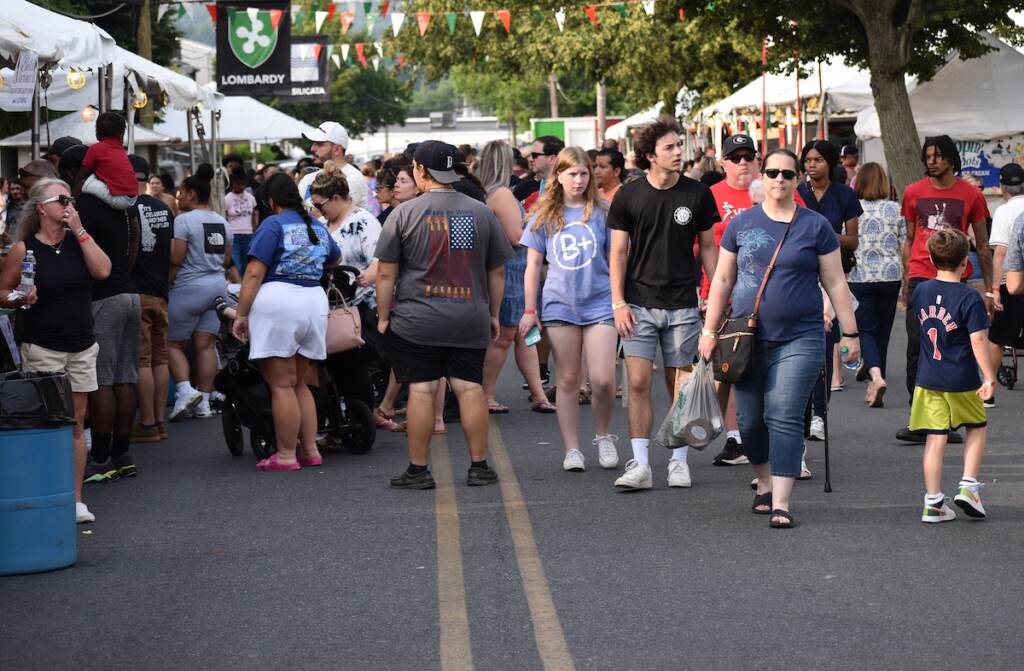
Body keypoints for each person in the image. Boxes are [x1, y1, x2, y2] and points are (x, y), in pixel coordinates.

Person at [699, 148, 860, 528]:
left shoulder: (816, 226)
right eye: (773, 172)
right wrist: (709, 329)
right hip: (746, 338)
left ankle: (782, 502)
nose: (780, 180)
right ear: (763, 175)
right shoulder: (741, 225)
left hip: (801, 336)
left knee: (784, 415)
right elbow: (722, 279)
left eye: (788, 174)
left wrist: (850, 332)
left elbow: (835, 281)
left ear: (797, 179)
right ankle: (765, 480)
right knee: (752, 421)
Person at [375, 141, 513, 489]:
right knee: (470, 389)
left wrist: (382, 315)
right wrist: (493, 313)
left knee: (421, 390)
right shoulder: (480, 211)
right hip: (469, 315)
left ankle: (418, 470)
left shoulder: (403, 213)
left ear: (421, 170)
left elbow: (386, 273)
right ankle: (479, 466)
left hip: (417, 319)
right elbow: (496, 272)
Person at [608, 118, 720, 490]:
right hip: (638, 303)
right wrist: (619, 301)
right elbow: (618, 252)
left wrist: (717, 295)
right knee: (638, 381)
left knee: (681, 386)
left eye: (679, 146)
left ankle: (678, 460)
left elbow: (707, 247)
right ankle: (640, 465)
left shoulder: (697, 194)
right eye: (669, 147)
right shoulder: (629, 195)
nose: (678, 153)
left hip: (684, 305)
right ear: (648, 155)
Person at [0, 178, 111, 523]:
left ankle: (76, 500)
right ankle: (44, 492)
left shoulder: (79, 241)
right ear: (41, 208)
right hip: (43, 344)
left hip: (81, 344)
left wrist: (80, 231)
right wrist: (20, 297)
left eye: (71, 199)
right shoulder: (25, 249)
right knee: (46, 424)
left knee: (77, 423)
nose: (68, 205)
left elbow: (104, 270)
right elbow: (3, 291)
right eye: (62, 199)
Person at [232, 173, 340, 470]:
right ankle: (310, 450)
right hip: (313, 303)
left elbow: (253, 273)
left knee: (281, 385)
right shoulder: (316, 225)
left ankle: (285, 455)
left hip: (279, 302)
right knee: (300, 383)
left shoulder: (272, 225)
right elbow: (335, 258)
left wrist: (241, 314)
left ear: (270, 201)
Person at [520, 147, 619, 471]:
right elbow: (533, 267)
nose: (578, 180)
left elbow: (618, 259)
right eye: (571, 173)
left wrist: (621, 300)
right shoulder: (544, 214)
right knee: (568, 379)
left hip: (600, 301)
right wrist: (529, 310)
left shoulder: (603, 211)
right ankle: (572, 448)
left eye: (583, 173)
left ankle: (604, 436)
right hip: (560, 304)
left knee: (603, 380)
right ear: (558, 176)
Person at [898, 135, 992, 443]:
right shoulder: (913, 193)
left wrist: (990, 289)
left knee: (952, 347)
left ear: (951, 159)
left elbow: (981, 244)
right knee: (917, 346)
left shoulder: (972, 195)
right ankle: (919, 419)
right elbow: (910, 240)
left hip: (955, 277)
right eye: (928, 155)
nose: (931, 161)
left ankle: (947, 419)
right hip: (921, 276)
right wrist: (905, 281)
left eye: (938, 156)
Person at [59, 143, 143, 484]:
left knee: (103, 380)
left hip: (104, 297)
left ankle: (103, 455)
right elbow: (135, 241)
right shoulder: (124, 204)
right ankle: (123, 452)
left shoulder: (87, 206)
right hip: (130, 293)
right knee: (126, 377)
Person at [908, 229, 995, 523]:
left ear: (931, 258)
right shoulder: (970, 298)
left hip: (928, 377)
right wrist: (988, 375)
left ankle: (933, 502)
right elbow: (979, 340)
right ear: (965, 263)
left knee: (935, 438)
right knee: (976, 426)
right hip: (962, 377)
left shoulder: (921, 291)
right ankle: (969, 486)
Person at [474, 140, 553, 415]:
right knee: (506, 336)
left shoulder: (492, 193)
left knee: (527, 335)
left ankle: (538, 393)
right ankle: (485, 394)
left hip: (516, 272)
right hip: (512, 272)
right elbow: (517, 237)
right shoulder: (501, 194)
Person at [797, 139, 862, 443]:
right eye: (808, 160)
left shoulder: (845, 194)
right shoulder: (797, 192)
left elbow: (853, 240)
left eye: (818, 160)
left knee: (824, 346)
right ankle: (803, 413)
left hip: (835, 274)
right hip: (801, 274)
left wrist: (825, 234)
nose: (812, 165)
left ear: (831, 162)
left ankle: (820, 414)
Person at [167, 164, 233, 421]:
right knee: (206, 346)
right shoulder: (223, 222)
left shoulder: (183, 220)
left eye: (181, 193)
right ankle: (204, 401)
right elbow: (227, 260)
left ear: (192, 194)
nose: (178, 197)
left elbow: (176, 258)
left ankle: (185, 390)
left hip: (188, 287)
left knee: (172, 344)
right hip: (217, 286)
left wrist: (167, 284)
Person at [313, 169, 381, 410]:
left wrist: (364, 278)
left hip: (356, 307)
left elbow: (380, 260)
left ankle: (362, 411)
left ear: (335, 198)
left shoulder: (364, 221)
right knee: (329, 365)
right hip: (325, 307)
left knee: (353, 366)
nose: (317, 211)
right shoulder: (320, 225)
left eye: (319, 205)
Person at [847, 162, 906, 408]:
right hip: (891, 274)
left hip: (860, 275)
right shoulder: (896, 209)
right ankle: (875, 372)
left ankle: (876, 375)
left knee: (866, 330)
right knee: (883, 330)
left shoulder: (852, 209)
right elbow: (904, 245)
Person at [128, 156, 175, 443]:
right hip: (160, 291)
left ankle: (146, 423)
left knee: (142, 360)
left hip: (137, 291)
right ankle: (159, 421)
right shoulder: (164, 207)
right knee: (160, 356)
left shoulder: (126, 208)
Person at [985, 163, 1024, 408]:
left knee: (997, 338)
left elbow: (1000, 253)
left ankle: (988, 389)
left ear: (1002, 186)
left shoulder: (1005, 212)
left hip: (1013, 281)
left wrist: (994, 289)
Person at [75, 112, 138, 210]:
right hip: (133, 199)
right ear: (121, 135)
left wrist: (73, 183)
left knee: (85, 180)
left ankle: (71, 202)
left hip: (120, 200)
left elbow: (83, 172)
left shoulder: (95, 149)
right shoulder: (120, 150)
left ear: (97, 132)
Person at [299, 121, 368, 209]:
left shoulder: (351, 179)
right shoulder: (309, 178)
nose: (312, 149)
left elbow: (328, 215)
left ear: (337, 149)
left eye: (320, 144)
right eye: (313, 143)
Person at [513, 135, 564, 206]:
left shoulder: (565, 187)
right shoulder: (540, 183)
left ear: (552, 159)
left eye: (534, 155)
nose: (530, 159)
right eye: (530, 155)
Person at [225, 170, 258, 276]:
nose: (240, 186)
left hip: (248, 235)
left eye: (243, 184)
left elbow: (254, 216)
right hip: (233, 236)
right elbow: (225, 218)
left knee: (247, 265)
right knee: (237, 265)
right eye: (238, 184)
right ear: (232, 183)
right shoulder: (227, 199)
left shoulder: (250, 197)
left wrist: (255, 230)